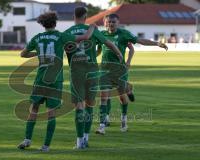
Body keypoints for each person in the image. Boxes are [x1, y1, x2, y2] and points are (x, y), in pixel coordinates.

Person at [17, 11, 96, 152]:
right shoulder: (60, 36)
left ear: (43, 24)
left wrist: (39, 54)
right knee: (51, 113)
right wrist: (92, 27)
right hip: (55, 80)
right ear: (55, 23)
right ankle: (46, 146)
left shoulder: (37, 38)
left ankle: (27, 139)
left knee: (34, 109)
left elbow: (23, 54)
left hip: (40, 79)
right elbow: (86, 37)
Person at [96, 13, 168, 135]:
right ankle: (102, 126)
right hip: (104, 71)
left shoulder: (124, 34)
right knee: (104, 97)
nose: (111, 24)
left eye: (114, 22)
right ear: (105, 22)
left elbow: (140, 40)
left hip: (119, 71)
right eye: (109, 22)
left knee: (121, 97)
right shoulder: (101, 35)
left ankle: (123, 119)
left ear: (118, 23)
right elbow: (98, 51)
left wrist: (156, 43)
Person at [64, 7, 124, 149]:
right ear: (85, 16)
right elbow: (109, 43)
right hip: (92, 70)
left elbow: (62, 49)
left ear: (74, 16)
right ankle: (86, 138)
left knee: (79, 105)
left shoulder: (67, 32)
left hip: (76, 71)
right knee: (90, 104)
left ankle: (79, 142)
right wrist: (120, 55)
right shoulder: (93, 29)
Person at [103, 42, 135, 127]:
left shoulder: (123, 34)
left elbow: (131, 48)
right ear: (106, 27)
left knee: (121, 95)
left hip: (119, 69)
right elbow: (99, 49)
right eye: (108, 26)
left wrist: (128, 61)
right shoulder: (101, 35)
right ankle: (106, 118)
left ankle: (124, 117)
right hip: (105, 69)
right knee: (106, 94)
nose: (110, 27)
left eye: (113, 26)